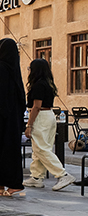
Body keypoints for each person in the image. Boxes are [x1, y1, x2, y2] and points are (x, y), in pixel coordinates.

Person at [22, 58, 75, 191]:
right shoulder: (48, 84)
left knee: (41, 148)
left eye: (30, 68)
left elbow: (36, 107)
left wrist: (29, 125)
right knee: (41, 147)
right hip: (49, 116)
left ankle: (62, 174)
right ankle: (36, 176)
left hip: (41, 117)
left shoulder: (38, 85)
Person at [0, 38, 26, 197]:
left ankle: (15, 185)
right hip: (12, 117)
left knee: (1, 149)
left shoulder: (0, 69)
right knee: (6, 149)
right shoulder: (14, 70)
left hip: (0, 118)